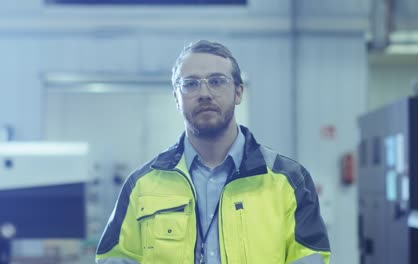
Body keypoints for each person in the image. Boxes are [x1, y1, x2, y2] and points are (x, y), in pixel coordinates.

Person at [95, 40, 331, 264]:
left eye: (217, 81)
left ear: (239, 92)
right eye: (191, 83)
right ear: (176, 98)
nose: (205, 93)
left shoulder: (289, 181)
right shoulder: (141, 186)